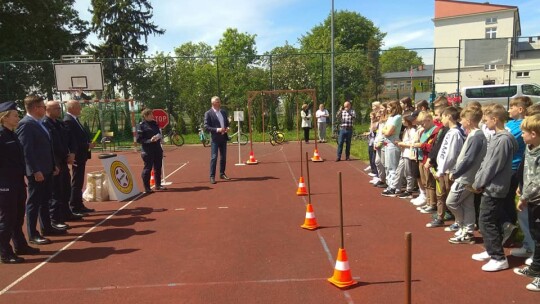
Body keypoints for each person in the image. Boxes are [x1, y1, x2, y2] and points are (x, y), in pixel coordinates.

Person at [470, 104, 518, 272]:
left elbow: (493, 166)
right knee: (490, 220)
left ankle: (498, 257)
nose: (484, 122)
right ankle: (491, 250)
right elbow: (486, 162)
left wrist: (479, 183)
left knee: (486, 220)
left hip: (495, 187)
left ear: (495, 119)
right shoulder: (497, 137)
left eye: (487, 119)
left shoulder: (503, 139)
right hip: (490, 186)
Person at [16, 95, 65, 246]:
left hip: (47, 168)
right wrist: (34, 170)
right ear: (36, 108)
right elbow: (26, 150)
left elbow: (46, 146)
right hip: (37, 172)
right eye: (43, 106)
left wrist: (53, 165)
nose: (45, 109)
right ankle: (33, 234)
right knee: (34, 203)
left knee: (44, 200)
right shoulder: (26, 124)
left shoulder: (39, 123)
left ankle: (47, 227)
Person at [0, 101, 39, 263]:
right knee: (7, 218)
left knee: (17, 217)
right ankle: (5, 252)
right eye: (15, 115)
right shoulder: (1, 135)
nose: (18, 118)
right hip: (5, 183)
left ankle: (20, 245)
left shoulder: (12, 134)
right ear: (4, 117)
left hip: (17, 181)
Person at [447, 106, 486, 244]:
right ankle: (468, 232)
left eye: (462, 119)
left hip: (465, 177)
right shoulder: (475, 135)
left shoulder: (477, 136)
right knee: (467, 204)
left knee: (451, 202)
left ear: (469, 121)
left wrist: (456, 172)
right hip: (467, 176)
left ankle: (463, 226)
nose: (461, 122)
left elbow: (469, 159)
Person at [500, 97, 533, 248]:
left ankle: (512, 230)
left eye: (512, 107)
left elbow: (507, 139)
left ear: (520, 109)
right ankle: (510, 230)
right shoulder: (510, 124)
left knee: (508, 199)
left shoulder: (521, 126)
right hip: (507, 167)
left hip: (514, 167)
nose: (508, 110)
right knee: (506, 200)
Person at [426, 106, 465, 228]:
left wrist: (442, 170)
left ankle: (458, 221)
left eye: (442, 117)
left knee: (449, 195)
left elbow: (450, 154)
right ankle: (440, 217)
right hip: (442, 169)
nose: (440, 120)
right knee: (440, 194)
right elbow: (443, 151)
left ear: (448, 116)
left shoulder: (455, 133)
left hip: (449, 170)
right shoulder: (449, 131)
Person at [43, 101, 79, 229]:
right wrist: (54, 162)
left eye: (59, 108)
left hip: (64, 161)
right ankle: (55, 219)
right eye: (56, 108)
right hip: (55, 162)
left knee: (65, 189)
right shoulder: (44, 124)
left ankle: (66, 213)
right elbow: (49, 146)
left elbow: (70, 139)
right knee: (55, 193)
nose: (59, 110)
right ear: (47, 109)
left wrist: (72, 153)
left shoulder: (59, 123)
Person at [514, 114, 540, 292]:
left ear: (534, 133)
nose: (521, 135)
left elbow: (538, 180)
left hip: (536, 199)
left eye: (524, 132)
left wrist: (524, 196)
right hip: (532, 199)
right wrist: (521, 188)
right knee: (536, 236)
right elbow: (527, 172)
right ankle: (536, 268)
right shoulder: (530, 148)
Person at [64, 100, 95, 215]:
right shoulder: (68, 121)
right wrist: (87, 145)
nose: (80, 109)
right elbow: (72, 141)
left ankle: (79, 204)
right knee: (76, 181)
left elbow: (80, 136)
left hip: (82, 154)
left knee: (79, 180)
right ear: (71, 108)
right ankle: (74, 205)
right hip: (76, 155)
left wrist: (88, 142)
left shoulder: (74, 120)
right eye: (78, 106)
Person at [136, 108, 166, 193]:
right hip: (147, 150)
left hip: (157, 148)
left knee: (158, 167)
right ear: (145, 116)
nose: (152, 116)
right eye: (150, 115)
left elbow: (158, 133)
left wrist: (160, 138)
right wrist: (150, 140)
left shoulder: (154, 123)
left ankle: (158, 185)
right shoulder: (141, 125)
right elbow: (139, 140)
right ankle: (147, 188)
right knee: (148, 168)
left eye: (152, 114)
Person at [204, 96, 230, 184]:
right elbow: (206, 127)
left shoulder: (223, 112)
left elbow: (226, 123)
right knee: (214, 157)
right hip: (215, 139)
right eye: (217, 101)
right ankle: (212, 176)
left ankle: (222, 173)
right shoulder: (208, 113)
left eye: (219, 101)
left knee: (223, 157)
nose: (219, 103)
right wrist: (217, 129)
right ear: (213, 103)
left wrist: (227, 128)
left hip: (223, 138)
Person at [381, 100, 403, 196]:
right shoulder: (390, 117)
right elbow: (384, 130)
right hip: (387, 143)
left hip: (393, 143)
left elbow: (388, 132)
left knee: (393, 167)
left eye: (390, 107)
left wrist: (385, 130)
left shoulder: (397, 117)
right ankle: (390, 185)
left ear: (394, 108)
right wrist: (385, 130)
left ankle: (394, 187)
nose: (388, 109)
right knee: (388, 166)